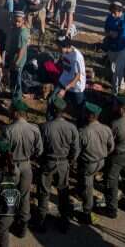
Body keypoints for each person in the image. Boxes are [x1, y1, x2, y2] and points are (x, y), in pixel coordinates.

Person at [33, 97, 79, 232]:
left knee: (43, 192)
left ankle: (41, 222)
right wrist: (70, 160)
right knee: (63, 192)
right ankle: (64, 222)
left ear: (52, 110)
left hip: (48, 162)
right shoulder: (72, 127)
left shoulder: (44, 127)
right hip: (63, 163)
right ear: (63, 111)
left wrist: (40, 160)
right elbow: (76, 149)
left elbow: (39, 149)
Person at [3, 98, 40, 238]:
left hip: (12, 165)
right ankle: (23, 225)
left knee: (10, 194)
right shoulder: (34, 129)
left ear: (17, 113)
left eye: (12, 110)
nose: (10, 112)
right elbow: (39, 150)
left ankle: (8, 222)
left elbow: (4, 150)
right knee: (25, 196)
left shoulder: (8, 130)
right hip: (26, 164)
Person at [77, 102, 113, 225]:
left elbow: (77, 151)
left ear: (90, 116)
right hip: (101, 161)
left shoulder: (83, 132)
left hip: (89, 163)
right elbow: (111, 146)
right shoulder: (106, 129)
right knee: (88, 181)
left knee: (88, 187)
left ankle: (87, 213)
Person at [53, 37, 86, 109]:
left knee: (78, 108)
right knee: (52, 100)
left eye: (60, 47)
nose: (58, 49)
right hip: (64, 80)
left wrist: (65, 89)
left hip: (76, 86)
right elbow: (62, 60)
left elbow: (77, 77)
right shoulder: (64, 51)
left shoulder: (76, 57)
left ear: (67, 47)